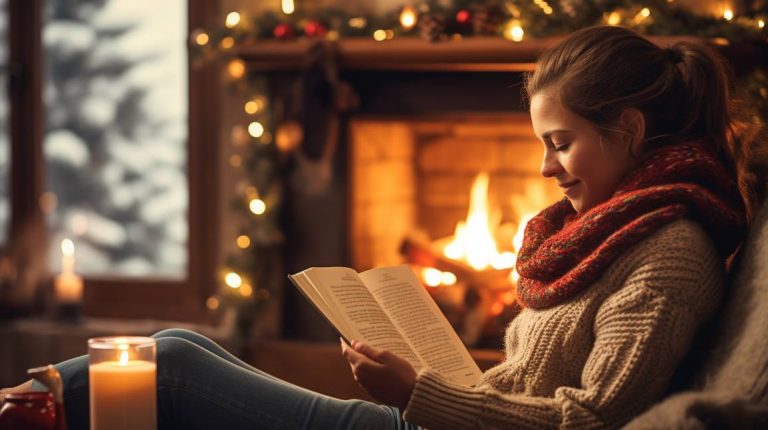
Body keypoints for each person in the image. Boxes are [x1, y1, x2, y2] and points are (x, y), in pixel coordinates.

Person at [2, 25, 766, 429]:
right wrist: (426, 374)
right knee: (189, 343)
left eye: (561, 143)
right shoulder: (617, 231)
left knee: (170, 366)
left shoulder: (669, 254)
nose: (546, 169)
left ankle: (22, 401)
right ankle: (30, 401)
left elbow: (591, 422)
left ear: (628, 129)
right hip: (437, 421)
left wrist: (423, 395)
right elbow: (537, 385)